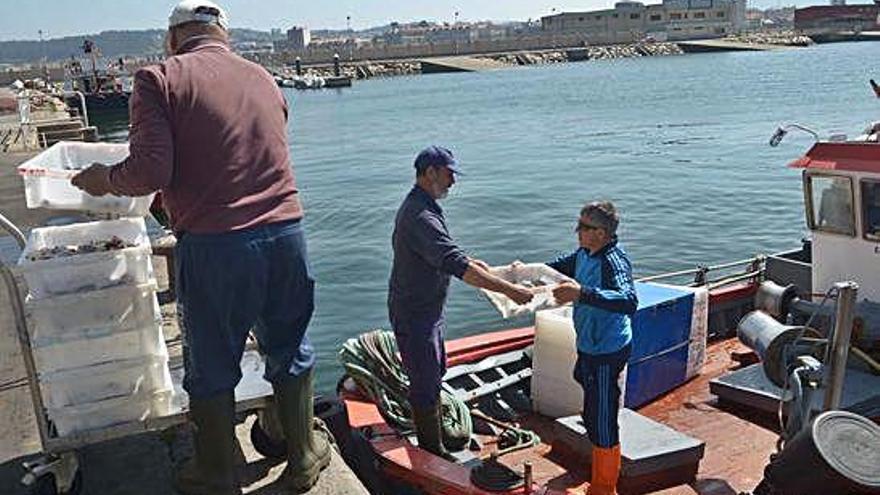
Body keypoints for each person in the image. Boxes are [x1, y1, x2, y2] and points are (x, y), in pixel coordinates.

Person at [70, 2, 328, 494]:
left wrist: (103, 179)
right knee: (290, 345)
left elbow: (150, 172)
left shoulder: (157, 79)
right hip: (287, 233)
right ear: (223, 35)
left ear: (173, 37)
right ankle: (303, 458)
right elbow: (245, 153)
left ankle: (216, 471)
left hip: (217, 245)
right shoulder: (264, 78)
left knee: (211, 360)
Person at [388, 145, 534, 458]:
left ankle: (434, 434)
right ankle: (432, 450)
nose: (453, 181)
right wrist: (510, 291)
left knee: (434, 369)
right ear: (430, 173)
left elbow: (446, 255)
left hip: (428, 310)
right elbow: (456, 266)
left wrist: (472, 262)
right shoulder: (420, 215)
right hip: (415, 313)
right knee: (425, 380)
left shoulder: (424, 206)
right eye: (449, 173)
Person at [546, 201, 638, 495]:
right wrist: (521, 273)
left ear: (600, 233)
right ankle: (599, 449)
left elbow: (628, 300)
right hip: (589, 344)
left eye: (583, 227)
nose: (577, 231)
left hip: (607, 351)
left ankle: (603, 487)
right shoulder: (584, 254)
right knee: (587, 396)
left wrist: (582, 293)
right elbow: (558, 268)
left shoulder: (614, 261)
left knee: (602, 416)